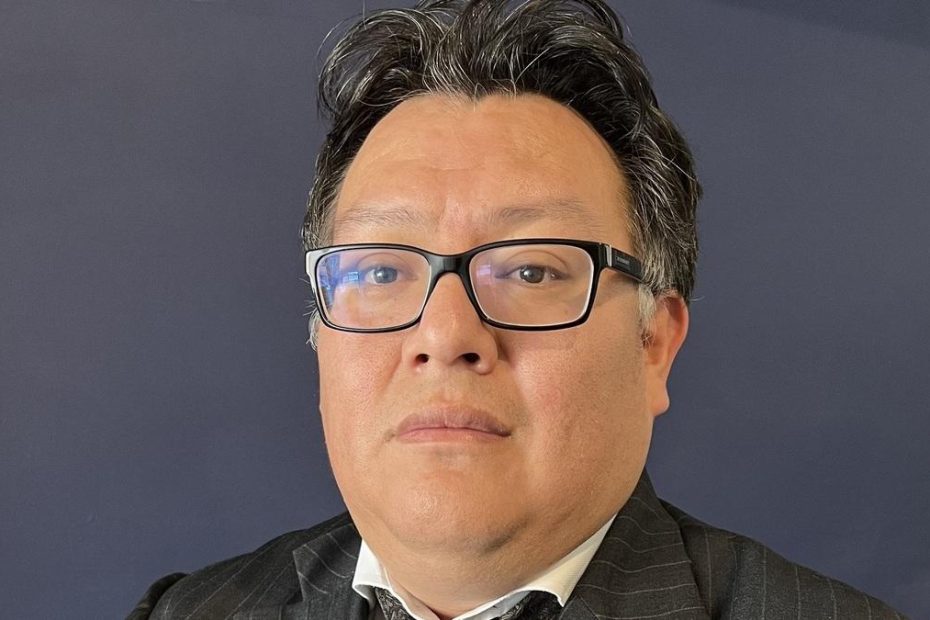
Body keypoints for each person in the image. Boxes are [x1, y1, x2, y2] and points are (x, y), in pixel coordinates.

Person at [130, 1, 904, 618]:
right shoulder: (193, 610)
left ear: (654, 345)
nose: (445, 334)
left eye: (532, 269)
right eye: (382, 269)